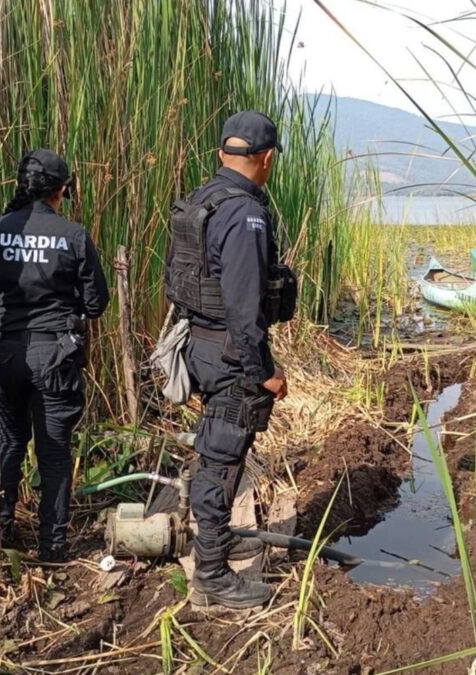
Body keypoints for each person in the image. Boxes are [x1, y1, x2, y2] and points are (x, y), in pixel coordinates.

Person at [165, 111, 297, 609]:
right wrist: (264, 371)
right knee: (221, 459)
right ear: (264, 159)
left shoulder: (199, 201)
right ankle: (212, 577)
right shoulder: (245, 214)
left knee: (219, 451)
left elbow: (177, 280)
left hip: (200, 343)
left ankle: (216, 542)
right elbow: (245, 307)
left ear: (224, 153)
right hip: (230, 352)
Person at [0, 148, 109, 562]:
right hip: (54, 357)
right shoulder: (72, 236)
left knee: (9, 442)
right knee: (53, 451)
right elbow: (96, 303)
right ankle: (53, 547)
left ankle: (1, 529)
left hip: (5, 356)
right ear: (62, 190)